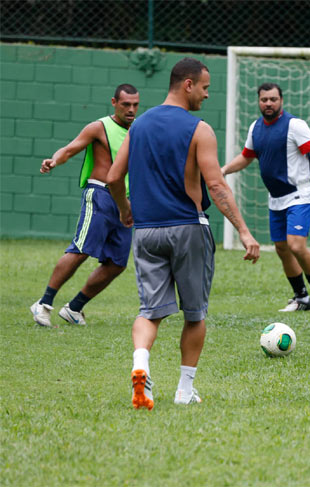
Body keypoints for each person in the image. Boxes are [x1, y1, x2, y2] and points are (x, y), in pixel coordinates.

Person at [107, 57, 260, 409]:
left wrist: (124, 209)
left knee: (150, 310)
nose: (206, 95)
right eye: (205, 88)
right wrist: (244, 232)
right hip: (188, 229)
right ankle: (184, 390)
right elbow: (217, 186)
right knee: (195, 313)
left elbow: (114, 178)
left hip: (146, 232)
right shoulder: (199, 129)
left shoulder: (138, 126)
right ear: (188, 84)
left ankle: (140, 364)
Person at [30, 84, 140, 327]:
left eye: (135, 105)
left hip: (126, 203)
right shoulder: (99, 127)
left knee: (116, 264)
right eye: (126, 105)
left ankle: (74, 308)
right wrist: (54, 160)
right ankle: (44, 303)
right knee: (81, 250)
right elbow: (70, 149)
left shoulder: (139, 131)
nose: (131, 110)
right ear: (114, 102)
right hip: (99, 195)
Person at [221, 82, 310, 313]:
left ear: (281, 101)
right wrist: (223, 171)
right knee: (282, 248)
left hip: (300, 194)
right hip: (276, 198)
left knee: (296, 245)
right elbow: (246, 157)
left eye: (273, 99)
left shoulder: (294, 125)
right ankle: (301, 297)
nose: (268, 103)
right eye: (264, 100)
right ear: (258, 101)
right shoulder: (255, 128)